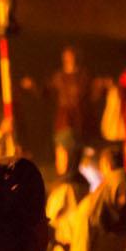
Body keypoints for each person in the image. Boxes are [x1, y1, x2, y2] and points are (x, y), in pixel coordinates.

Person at [44, 47, 92, 179]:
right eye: (67, 57)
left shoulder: (83, 76)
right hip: (63, 122)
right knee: (63, 152)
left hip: (79, 122)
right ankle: (63, 179)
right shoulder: (59, 77)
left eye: (72, 57)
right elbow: (47, 92)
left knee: (76, 155)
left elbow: (89, 96)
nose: (69, 60)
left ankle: (73, 179)